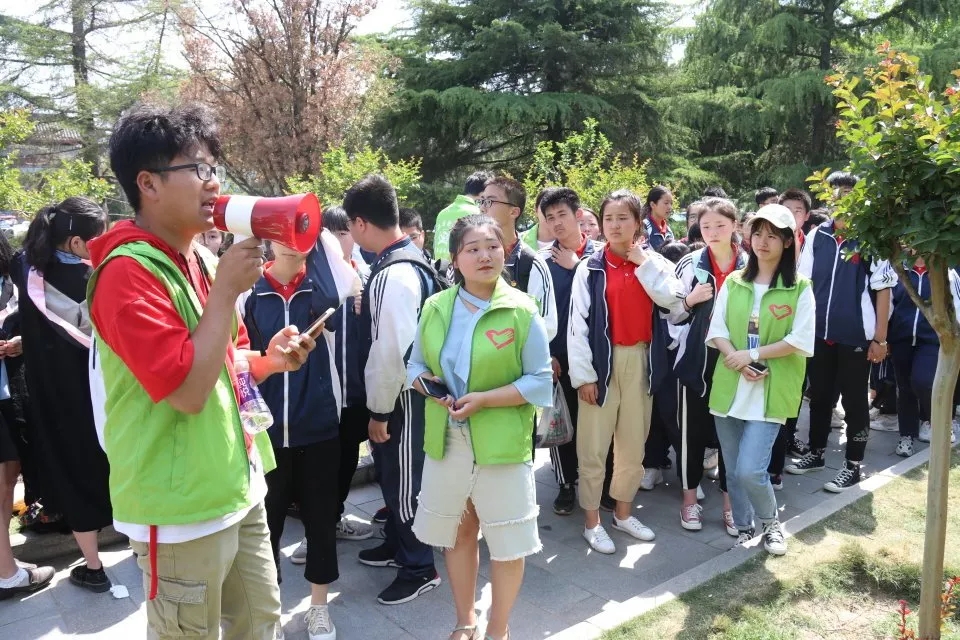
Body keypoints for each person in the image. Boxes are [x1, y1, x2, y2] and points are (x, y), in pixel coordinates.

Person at [89, 104, 315, 640]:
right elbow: (188, 393)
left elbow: (227, 361)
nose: (214, 183)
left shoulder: (204, 260)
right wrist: (225, 293)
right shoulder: (125, 273)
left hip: (237, 483)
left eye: (214, 167)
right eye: (198, 168)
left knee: (260, 623)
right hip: (179, 510)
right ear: (148, 183)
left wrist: (271, 359)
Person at [408, 214, 553, 640]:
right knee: (459, 531)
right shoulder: (437, 306)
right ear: (455, 259)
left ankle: (498, 629)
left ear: (504, 252)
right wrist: (429, 387)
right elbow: (414, 365)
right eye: (472, 249)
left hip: (502, 441)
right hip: (448, 438)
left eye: (492, 246)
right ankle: (465, 621)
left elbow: (540, 380)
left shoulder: (521, 309)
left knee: (508, 540)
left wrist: (485, 399)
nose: (485, 255)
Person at [243, 231, 359, 640]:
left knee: (321, 521)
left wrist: (314, 231)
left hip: (319, 425)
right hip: (266, 430)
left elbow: (346, 281)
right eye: (282, 232)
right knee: (266, 527)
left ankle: (318, 608)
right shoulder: (250, 292)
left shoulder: (323, 287)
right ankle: (268, 611)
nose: (291, 241)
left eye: (298, 232)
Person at [568, 189, 685, 555]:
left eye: (623, 218)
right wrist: (584, 376)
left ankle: (622, 513)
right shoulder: (590, 268)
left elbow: (675, 302)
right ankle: (592, 522)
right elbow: (577, 326)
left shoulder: (653, 262)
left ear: (638, 222)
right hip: (601, 365)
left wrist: (643, 263)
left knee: (633, 446)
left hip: (641, 361)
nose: (615, 225)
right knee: (593, 447)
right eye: (609, 218)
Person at [346, 174, 443, 605]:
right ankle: (399, 546)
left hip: (403, 401)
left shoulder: (394, 273)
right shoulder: (408, 259)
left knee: (405, 485)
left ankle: (419, 566)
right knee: (395, 477)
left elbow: (392, 352)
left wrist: (379, 412)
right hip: (410, 396)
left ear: (361, 223)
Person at [12, 197, 112, 593]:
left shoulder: (27, 271)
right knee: (116, 464)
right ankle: (142, 551)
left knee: (73, 471)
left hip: (54, 397)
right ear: (75, 242)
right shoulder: (102, 275)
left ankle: (94, 567)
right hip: (105, 392)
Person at [706, 204, 815, 556]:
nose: (762, 242)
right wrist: (737, 360)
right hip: (730, 386)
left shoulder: (799, 288)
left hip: (771, 390)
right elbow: (718, 330)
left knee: (751, 470)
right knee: (733, 470)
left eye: (772, 236)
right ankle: (744, 528)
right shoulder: (735, 282)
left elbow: (800, 339)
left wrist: (752, 355)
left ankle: (771, 524)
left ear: (788, 241)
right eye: (757, 233)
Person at [787, 176, 897, 491]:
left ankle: (853, 465)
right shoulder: (817, 235)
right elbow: (803, 283)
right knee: (819, 396)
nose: (842, 201)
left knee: (854, 401)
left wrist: (880, 338)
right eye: (837, 196)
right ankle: (816, 453)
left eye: (849, 195)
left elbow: (883, 291)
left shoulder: (871, 239)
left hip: (855, 337)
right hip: (819, 333)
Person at [669, 198, 746, 533]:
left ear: (734, 225)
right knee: (692, 435)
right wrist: (690, 301)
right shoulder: (690, 263)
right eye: (706, 226)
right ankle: (689, 502)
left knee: (732, 436)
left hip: (736, 361)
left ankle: (731, 505)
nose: (713, 232)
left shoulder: (750, 264)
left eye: (720, 225)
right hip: (696, 362)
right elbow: (669, 313)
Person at [537, 187, 601, 515]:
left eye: (562, 214)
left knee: (596, 424)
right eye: (550, 218)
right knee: (562, 421)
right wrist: (546, 354)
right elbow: (537, 313)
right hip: (559, 356)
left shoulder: (600, 256)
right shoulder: (542, 262)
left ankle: (599, 483)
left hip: (597, 355)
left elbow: (607, 299)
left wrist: (578, 266)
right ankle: (566, 483)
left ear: (578, 215)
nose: (557, 223)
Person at [0, 230, 54, 600]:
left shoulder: (14, 277)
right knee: (4, 480)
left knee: (7, 477)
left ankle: (6, 565)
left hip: (9, 390)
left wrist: (22, 341)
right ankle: (7, 574)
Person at [888, 256, 960, 456]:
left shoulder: (945, 272)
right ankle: (906, 436)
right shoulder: (898, 269)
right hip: (901, 338)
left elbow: (956, 305)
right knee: (904, 388)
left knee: (923, 381)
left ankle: (934, 421)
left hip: (930, 339)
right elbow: (889, 304)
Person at [477, 177, 558, 341]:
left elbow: (547, 325)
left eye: (490, 201)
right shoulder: (472, 257)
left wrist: (504, 344)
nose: (483, 207)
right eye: (482, 201)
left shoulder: (531, 263)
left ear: (514, 212)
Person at [433, 171, 489, 263]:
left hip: (439, 268)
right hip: (461, 268)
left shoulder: (443, 213)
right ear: (483, 192)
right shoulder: (477, 213)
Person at [640, 186, 675, 251]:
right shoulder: (644, 227)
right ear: (652, 205)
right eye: (666, 203)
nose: (670, 207)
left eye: (671, 203)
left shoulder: (669, 230)